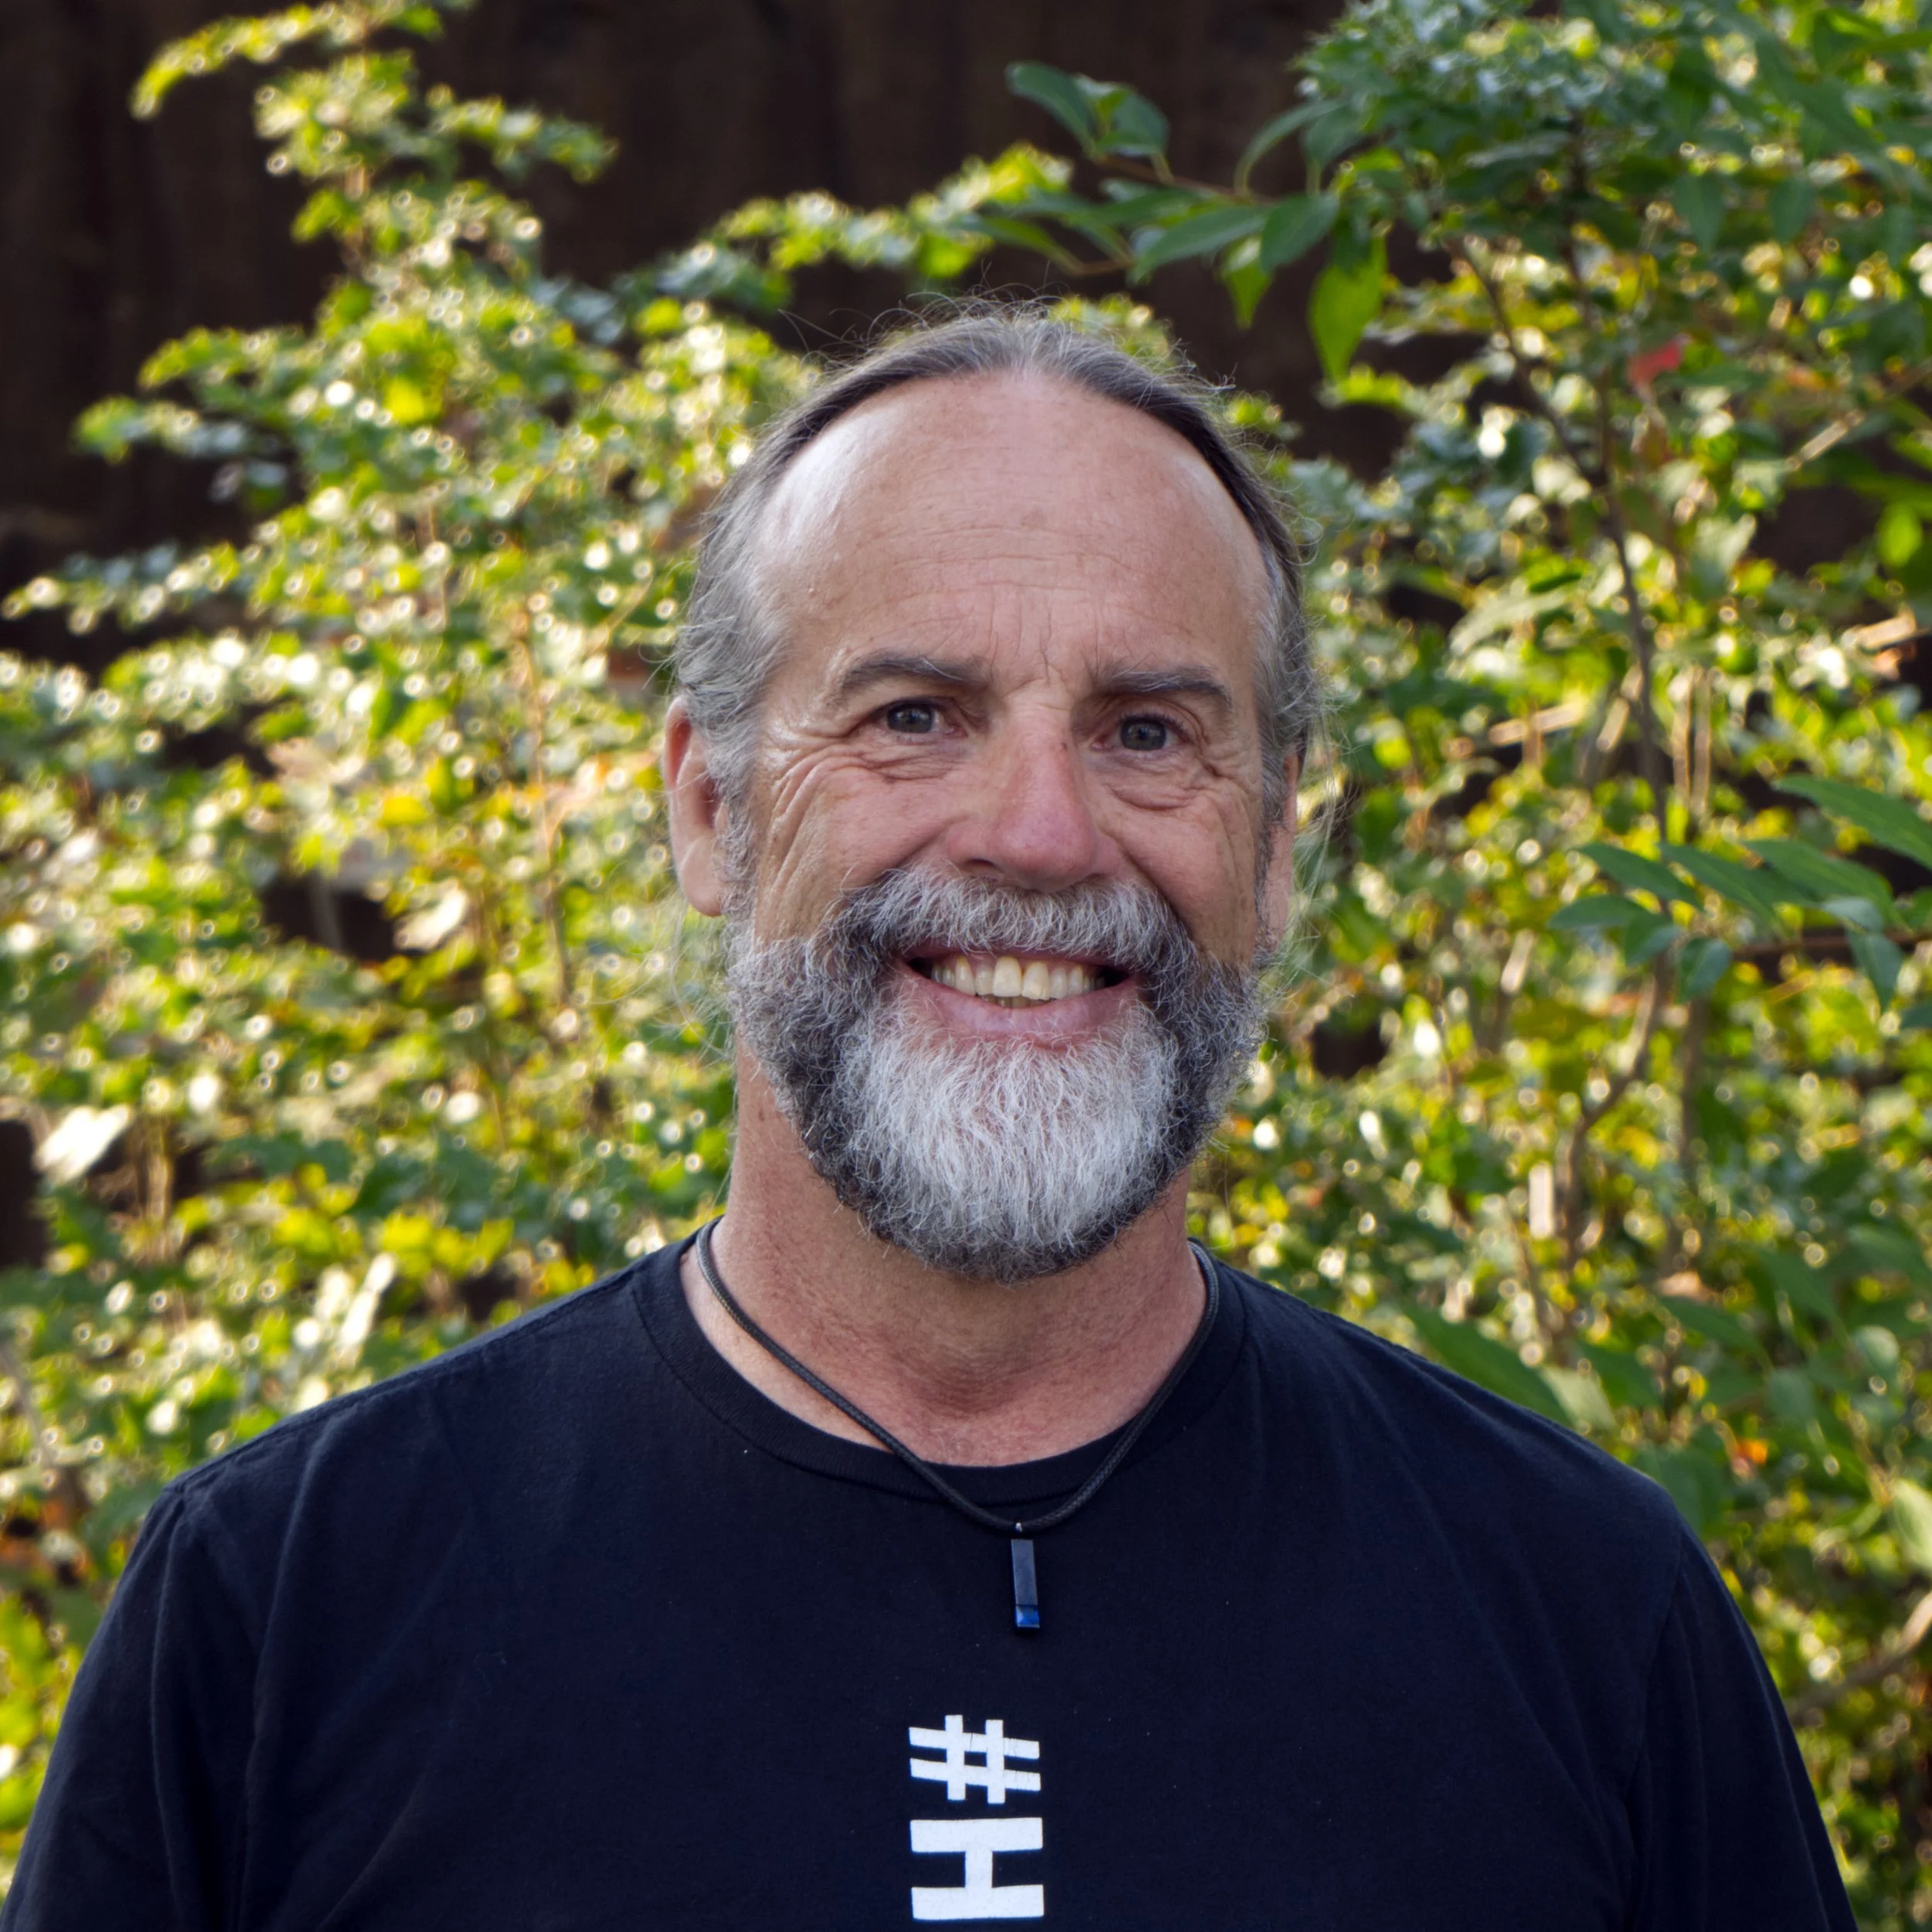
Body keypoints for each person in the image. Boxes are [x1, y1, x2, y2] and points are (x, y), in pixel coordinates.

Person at [5, 310, 1852, 1930]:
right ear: (712, 809)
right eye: (911, 714)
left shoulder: (1586, 1616)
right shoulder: (283, 1610)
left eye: (1145, 731)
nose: (1036, 832)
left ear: (1277, 844)